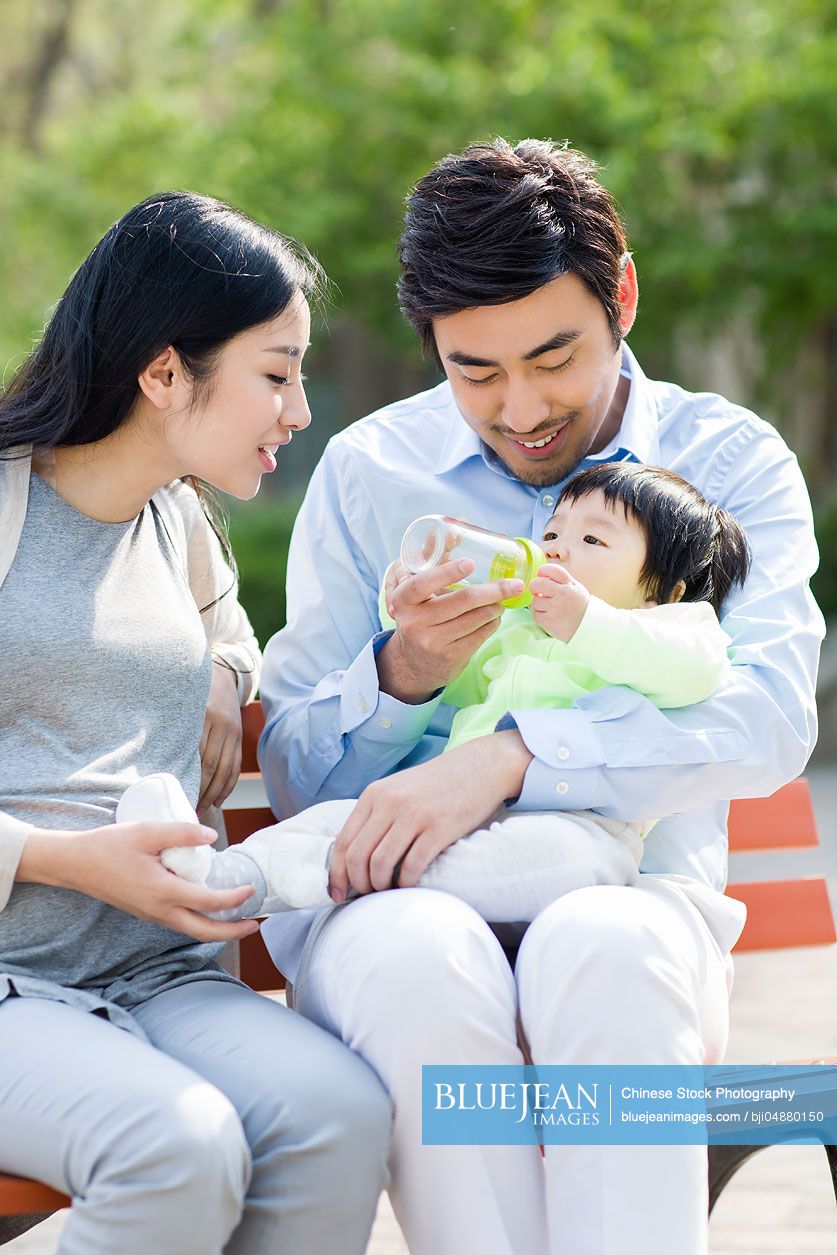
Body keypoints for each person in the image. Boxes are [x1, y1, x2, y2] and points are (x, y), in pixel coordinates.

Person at [258, 139, 824, 1255]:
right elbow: (295, 779)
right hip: (392, 911)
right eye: (475, 371)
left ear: (622, 298)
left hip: (636, 900)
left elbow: (766, 715)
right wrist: (403, 674)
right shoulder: (372, 473)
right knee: (425, 959)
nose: (520, 409)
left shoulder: (730, 461)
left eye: (554, 356)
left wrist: (517, 752)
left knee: (603, 948)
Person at [0, 191, 391, 1255]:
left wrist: (222, 670)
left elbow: (225, 637)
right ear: (165, 372)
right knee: (178, 1147)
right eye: (276, 373)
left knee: (338, 1115)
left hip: (159, 973)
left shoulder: (179, 521)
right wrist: (70, 861)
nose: (299, 410)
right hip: (9, 983)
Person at [153, 461, 748, 928]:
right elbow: (454, 685)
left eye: (593, 540)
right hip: (459, 811)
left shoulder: (671, 626)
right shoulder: (517, 630)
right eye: (554, 532)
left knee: (445, 855)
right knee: (355, 818)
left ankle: (344, 877)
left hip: (584, 831)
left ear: (663, 589)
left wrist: (586, 620)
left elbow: (692, 674)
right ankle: (219, 877)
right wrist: (424, 633)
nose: (558, 548)